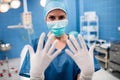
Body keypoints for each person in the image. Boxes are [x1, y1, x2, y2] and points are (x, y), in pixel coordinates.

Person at [19, 0, 101, 80]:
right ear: (46, 19)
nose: (57, 21)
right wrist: (36, 77)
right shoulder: (37, 46)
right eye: (52, 17)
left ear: (67, 18)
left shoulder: (78, 46)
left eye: (61, 17)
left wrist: (86, 77)